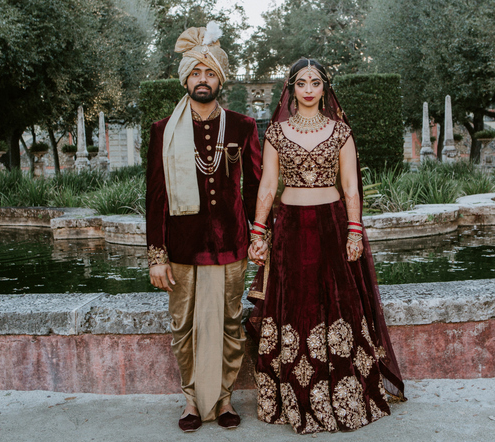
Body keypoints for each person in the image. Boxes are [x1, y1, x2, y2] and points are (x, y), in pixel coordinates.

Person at [245, 58, 405, 434]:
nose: (309, 89)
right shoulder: (277, 134)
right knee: (293, 307)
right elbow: (268, 186)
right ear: (291, 88)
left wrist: (354, 232)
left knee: (339, 304)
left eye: (316, 82)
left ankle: (345, 396)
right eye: (302, 82)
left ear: (325, 88)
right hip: (290, 232)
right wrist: (257, 233)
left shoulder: (340, 132)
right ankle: (293, 398)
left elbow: (351, 186)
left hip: (332, 228)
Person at [146, 22, 263, 432]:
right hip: (181, 248)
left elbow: (254, 190)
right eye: (195, 72)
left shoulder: (244, 126)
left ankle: (224, 398)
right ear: (186, 78)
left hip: (232, 245)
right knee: (183, 326)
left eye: (209, 72)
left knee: (231, 323)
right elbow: (156, 197)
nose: (202, 79)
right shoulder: (163, 131)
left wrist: (260, 236)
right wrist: (157, 256)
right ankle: (192, 401)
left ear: (220, 79)